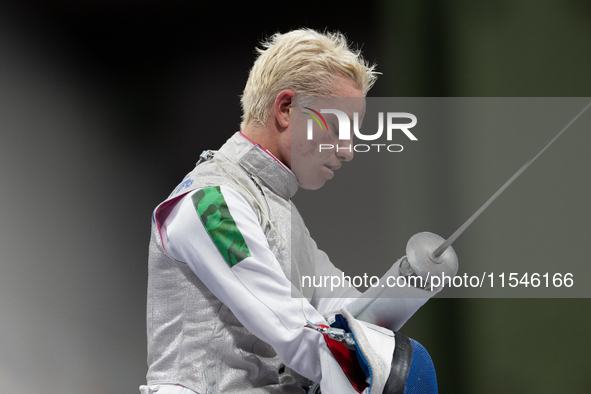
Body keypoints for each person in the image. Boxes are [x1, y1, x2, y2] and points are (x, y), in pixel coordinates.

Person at [142, 29, 443, 394]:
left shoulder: (282, 217)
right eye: (337, 127)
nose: (348, 150)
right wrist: (377, 369)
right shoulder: (210, 204)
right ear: (286, 110)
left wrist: (410, 282)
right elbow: (287, 324)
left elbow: (348, 312)